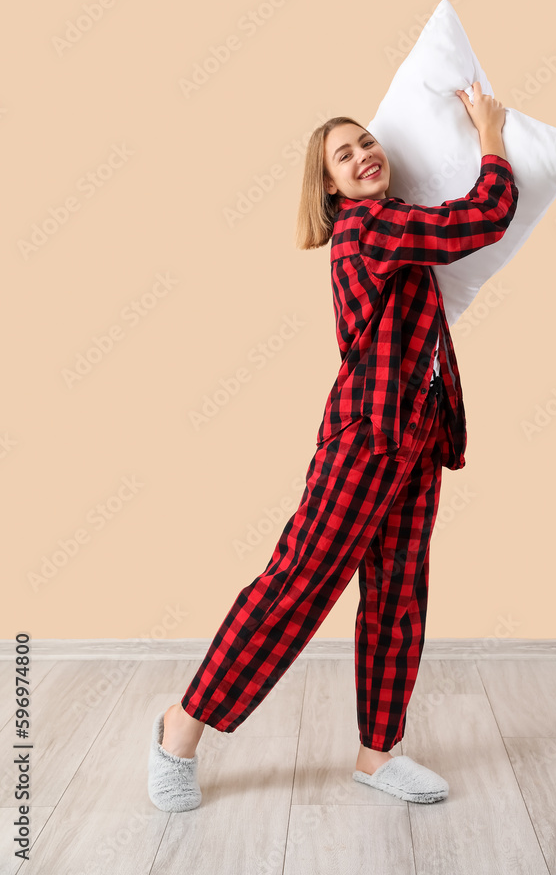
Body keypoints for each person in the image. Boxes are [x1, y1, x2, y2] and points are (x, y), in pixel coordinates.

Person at [148, 81, 518, 811]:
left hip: (417, 434)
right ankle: (178, 729)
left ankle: (377, 756)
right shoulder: (368, 227)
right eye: (343, 155)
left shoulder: (394, 222)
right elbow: (482, 219)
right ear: (329, 185)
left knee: (397, 596)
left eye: (367, 143)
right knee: (295, 587)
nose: (362, 156)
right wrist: (490, 132)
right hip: (366, 439)